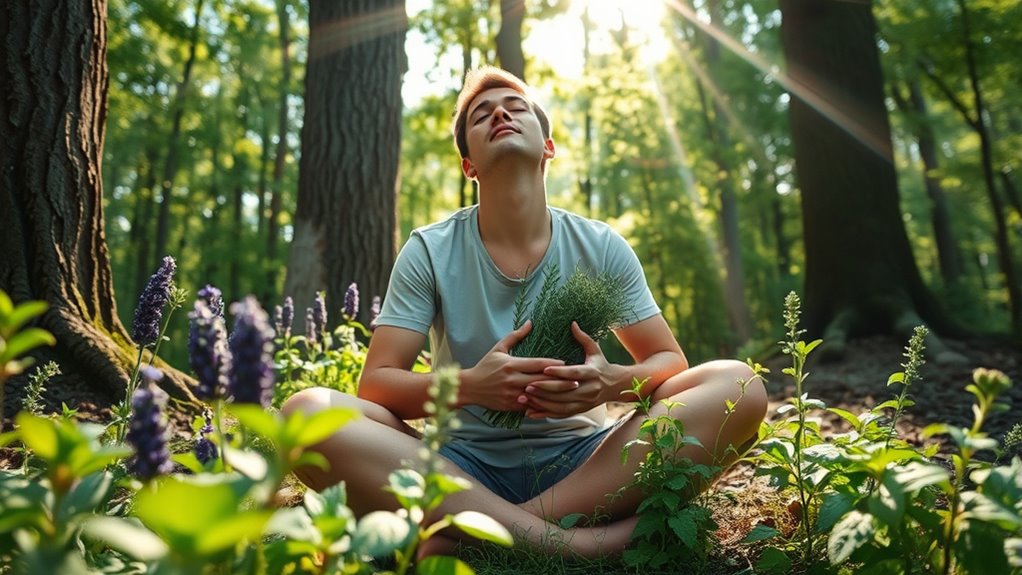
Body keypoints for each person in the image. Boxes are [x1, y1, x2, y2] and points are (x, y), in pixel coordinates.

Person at [282, 66, 767, 559]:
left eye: (515, 108)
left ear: (548, 148)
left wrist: (609, 382)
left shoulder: (599, 246)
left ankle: (495, 532)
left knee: (738, 383)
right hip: (459, 467)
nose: (499, 113)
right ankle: (585, 545)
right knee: (305, 414)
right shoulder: (430, 249)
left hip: (585, 467)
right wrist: (470, 387)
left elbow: (668, 362)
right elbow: (378, 385)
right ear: (468, 165)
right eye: (481, 115)